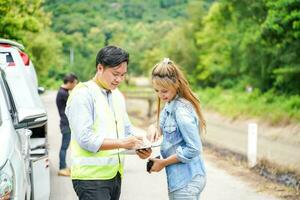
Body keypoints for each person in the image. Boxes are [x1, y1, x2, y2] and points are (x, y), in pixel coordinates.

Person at [65, 45, 152, 200]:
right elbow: (86, 139)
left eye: (123, 75)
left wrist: (140, 147)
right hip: (90, 179)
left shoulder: (117, 95)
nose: (119, 79)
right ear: (100, 68)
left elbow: (125, 131)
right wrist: (123, 143)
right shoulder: (83, 94)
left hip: (114, 176)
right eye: (115, 74)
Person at [148, 58, 207, 200]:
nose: (160, 95)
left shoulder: (181, 111)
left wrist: (163, 163)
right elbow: (159, 126)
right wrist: (153, 128)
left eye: (164, 91)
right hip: (183, 178)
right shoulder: (170, 105)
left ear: (176, 84)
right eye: (157, 91)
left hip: (186, 180)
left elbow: (194, 148)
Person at [56, 73, 78, 176]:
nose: (75, 86)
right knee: (64, 147)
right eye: (74, 84)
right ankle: (62, 168)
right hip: (66, 124)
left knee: (65, 146)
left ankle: (64, 166)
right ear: (69, 82)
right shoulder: (63, 94)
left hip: (65, 123)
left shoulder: (63, 91)